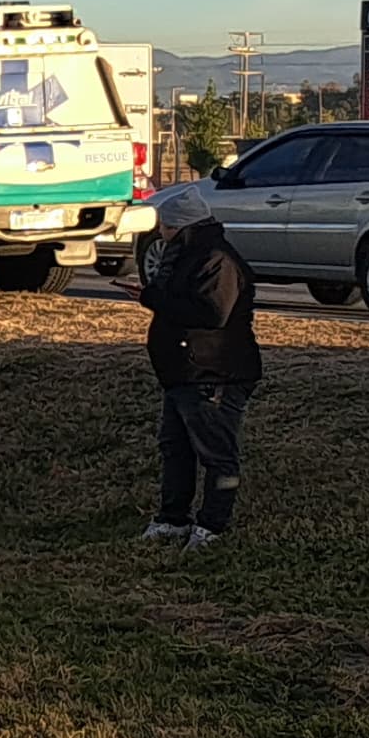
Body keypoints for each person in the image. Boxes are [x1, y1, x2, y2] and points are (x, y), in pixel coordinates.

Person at [134, 183, 260, 545]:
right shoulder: (187, 255)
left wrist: (156, 300)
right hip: (184, 371)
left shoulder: (217, 260)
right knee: (175, 447)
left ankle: (212, 525)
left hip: (213, 371)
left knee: (217, 453)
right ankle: (173, 518)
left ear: (184, 227)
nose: (161, 233)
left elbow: (213, 313)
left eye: (167, 227)